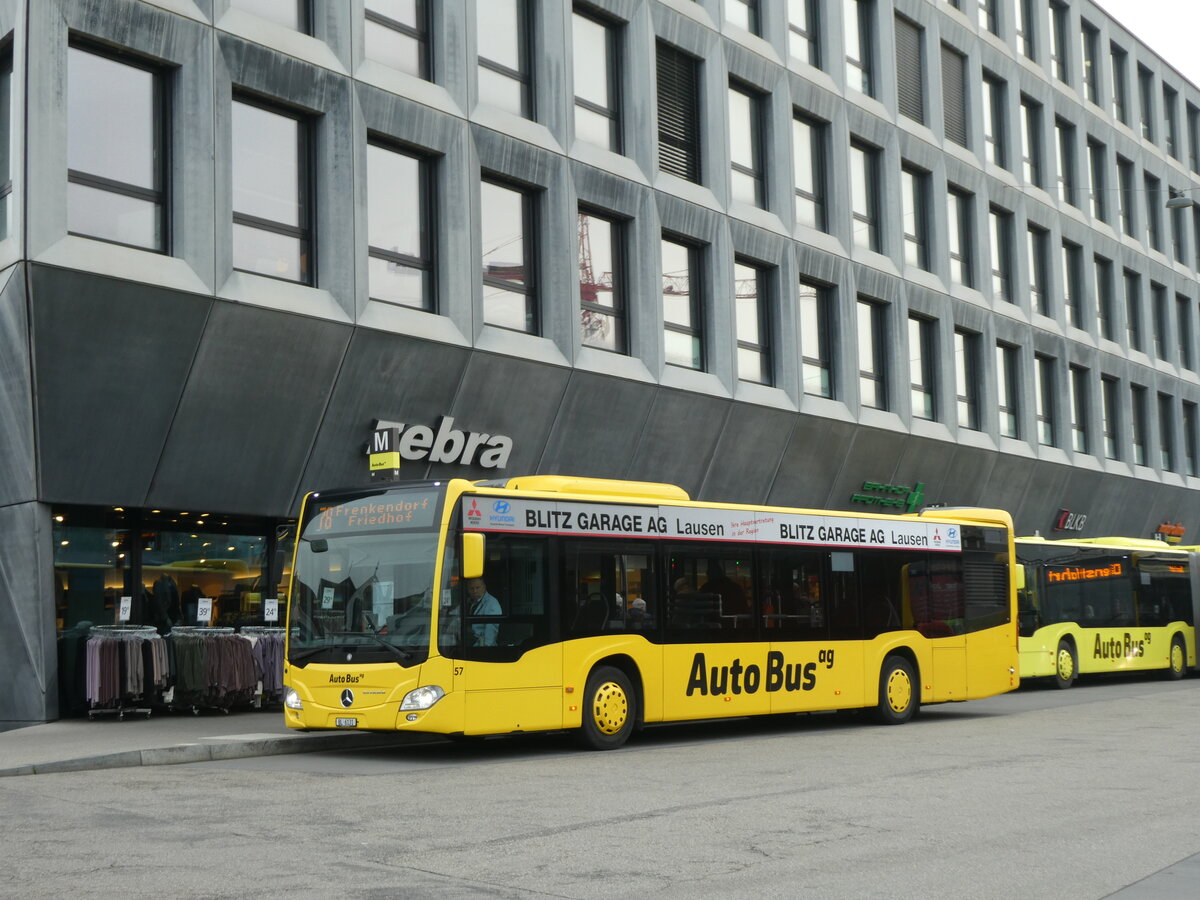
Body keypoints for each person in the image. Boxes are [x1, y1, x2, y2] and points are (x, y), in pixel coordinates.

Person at [466, 577, 501, 646]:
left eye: (477, 587)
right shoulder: (470, 602)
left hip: (482, 646)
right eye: (471, 588)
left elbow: (491, 629)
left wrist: (486, 647)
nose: (474, 591)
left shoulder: (492, 603)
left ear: (484, 587)